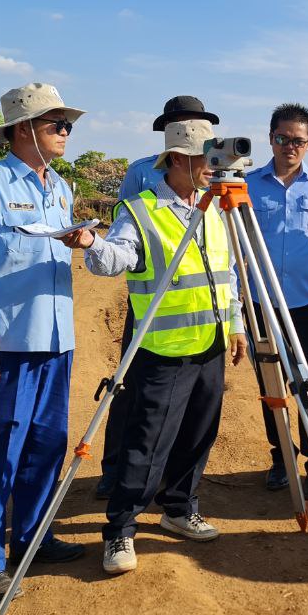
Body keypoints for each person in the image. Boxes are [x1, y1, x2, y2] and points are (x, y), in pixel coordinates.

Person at [78, 119, 249, 574]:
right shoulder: (140, 210)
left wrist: (234, 326)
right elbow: (116, 260)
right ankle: (120, 530)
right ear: (175, 160)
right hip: (162, 347)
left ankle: (179, 507)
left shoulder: (215, 209)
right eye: (203, 160)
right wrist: (92, 242)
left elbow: (227, 274)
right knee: (147, 443)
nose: (214, 168)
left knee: (199, 433)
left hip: (209, 342)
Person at [0, 82, 89, 605]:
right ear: (24, 128)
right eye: (57, 124)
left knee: (45, 447)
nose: (67, 132)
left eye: (68, 123)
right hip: (5, 343)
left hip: (56, 339)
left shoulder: (61, 189)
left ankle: (34, 538)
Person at [96, 95, 221, 499]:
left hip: (203, 315)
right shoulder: (139, 175)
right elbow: (129, 232)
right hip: (154, 307)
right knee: (136, 397)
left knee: (197, 408)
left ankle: (176, 490)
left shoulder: (216, 191)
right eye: (183, 125)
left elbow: (225, 264)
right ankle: (115, 473)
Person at [245, 103, 308, 501]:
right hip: (260, 303)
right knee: (271, 384)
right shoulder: (249, 185)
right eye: (283, 139)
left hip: (307, 303)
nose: (290, 146)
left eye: (298, 141)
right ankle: (280, 457)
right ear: (271, 138)